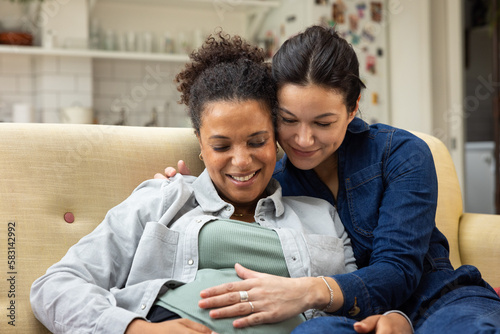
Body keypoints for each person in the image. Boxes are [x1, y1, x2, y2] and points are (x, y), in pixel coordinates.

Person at [159, 25, 500, 333]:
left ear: (353, 109)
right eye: (288, 120)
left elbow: (398, 270)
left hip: (436, 300)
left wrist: (308, 292)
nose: (303, 140)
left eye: (323, 123)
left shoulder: (402, 154)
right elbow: (226, 216)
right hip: (344, 317)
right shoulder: (269, 181)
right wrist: (190, 189)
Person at [31, 30, 363, 334]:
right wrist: (137, 330)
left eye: (257, 142)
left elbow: (360, 302)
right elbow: (54, 286)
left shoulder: (321, 214)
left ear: (276, 137)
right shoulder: (164, 200)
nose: (241, 161)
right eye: (221, 146)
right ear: (200, 145)